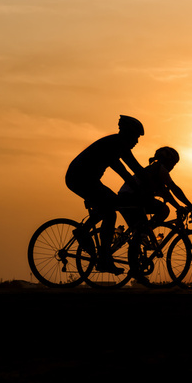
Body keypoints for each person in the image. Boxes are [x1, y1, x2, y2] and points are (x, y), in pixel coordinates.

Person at [65, 115, 145, 274]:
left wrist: (151, 184)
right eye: (136, 137)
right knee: (110, 213)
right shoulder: (112, 145)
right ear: (127, 134)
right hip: (80, 178)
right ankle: (104, 257)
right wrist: (140, 188)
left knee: (109, 205)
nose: (137, 141)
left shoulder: (119, 145)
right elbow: (124, 172)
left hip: (88, 179)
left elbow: (136, 168)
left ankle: (90, 238)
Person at [118, 146, 192, 234]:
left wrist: (180, 205)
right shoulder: (160, 169)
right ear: (167, 161)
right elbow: (173, 189)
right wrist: (185, 206)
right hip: (132, 198)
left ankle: (141, 235)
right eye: (173, 163)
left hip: (125, 196)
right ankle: (145, 232)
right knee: (164, 210)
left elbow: (164, 191)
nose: (173, 167)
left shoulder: (153, 168)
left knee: (138, 231)